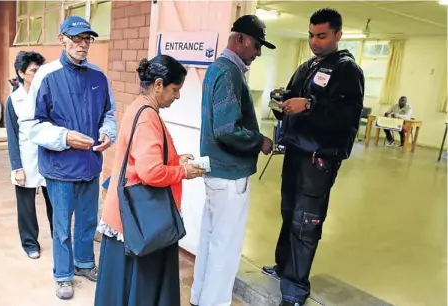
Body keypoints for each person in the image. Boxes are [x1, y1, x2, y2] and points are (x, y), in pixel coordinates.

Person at [263, 8, 365, 306]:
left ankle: (295, 290)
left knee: (305, 222)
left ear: (337, 35)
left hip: (318, 158)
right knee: (288, 212)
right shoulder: (307, 66)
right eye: (310, 35)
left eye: (321, 35)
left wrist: (309, 104)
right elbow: (291, 98)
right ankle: (283, 268)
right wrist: (283, 101)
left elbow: (346, 117)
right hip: (295, 150)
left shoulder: (347, 70)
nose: (314, 41)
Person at [94, 55, 205, 306]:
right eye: (174, 89)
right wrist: (184, 172)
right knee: (140, 286)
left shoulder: (140, 107)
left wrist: (176, 160)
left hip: (128, 215)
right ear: (157, 85)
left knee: (123, 286)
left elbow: (144, 159)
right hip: (140, 220)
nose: (176, 96)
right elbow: (150, 172)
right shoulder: (147, 116)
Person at [20, 16, 117, 300]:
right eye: (76, 38)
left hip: (89, 164)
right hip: (60, 168)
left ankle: (84, 263)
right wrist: (64, 138)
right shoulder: (46, 76)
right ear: (62, 38)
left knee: (88, 221)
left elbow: (109, 114)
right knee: (62, 226)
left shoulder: (99, 76)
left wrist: (108, 133)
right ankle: (63, 274)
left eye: (87, 38)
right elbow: (31, 124)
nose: (82, 44)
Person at [191, 15, 275, 306]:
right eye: (256, 45)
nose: (258, 52)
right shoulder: (229, 73)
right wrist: (259, 141)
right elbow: (226, 129)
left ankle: (199, 298)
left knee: (211, 241)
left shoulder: (217, 68)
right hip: (229, 176)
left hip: (216, 172)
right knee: (225, 249)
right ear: (239, 39)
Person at [5, 51, 53, 260]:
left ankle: (59, 240)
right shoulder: (14, 100)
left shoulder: (48, 93)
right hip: (26, 159)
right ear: (21, 73)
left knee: (55, 203)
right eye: (34, 71)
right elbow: (12, 136)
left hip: (49, 157)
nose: (37, 74)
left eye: (39, 70)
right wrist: (17, 166)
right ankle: (30, 243)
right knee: (26, 206)